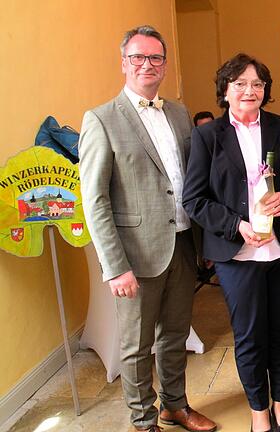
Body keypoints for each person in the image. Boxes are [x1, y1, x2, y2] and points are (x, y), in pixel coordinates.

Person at [79, 25, 217, 432]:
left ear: (164, 64)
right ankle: (143, 421)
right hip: (135, 255)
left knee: (174, 336)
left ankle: (175, 405)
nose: (147, 65)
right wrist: (114, 265)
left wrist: (202, 237)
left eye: (155, 57)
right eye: (138, 57)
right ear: (124, 63)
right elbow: (95, 200)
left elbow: (192, 180)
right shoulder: (101, 119)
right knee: (136, 346)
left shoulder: (176, 111)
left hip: (182, 244)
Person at [182, 53, 280, 432]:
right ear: (225, 91)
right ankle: (259, 410)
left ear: (266, 90)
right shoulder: (208, 136)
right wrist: (236, 225)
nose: (249, 90)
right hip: (237, 254)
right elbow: (194, 200)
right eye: (239, 83)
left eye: (257, 84)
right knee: (249, 335)